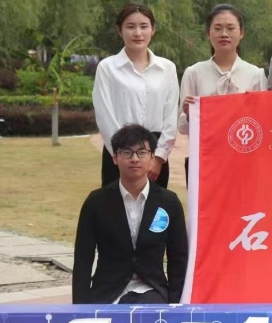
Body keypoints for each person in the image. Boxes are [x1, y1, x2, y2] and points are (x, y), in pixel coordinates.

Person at [72, 125, 188, 304]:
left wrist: (174, 304)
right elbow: (83, 259)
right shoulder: (96, 202)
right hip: (107, 291)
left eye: (141, 152)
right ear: (115, 157)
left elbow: (178, 258)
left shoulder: (168, 202)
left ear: (152, 157)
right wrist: (79, 308)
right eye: (127, 153)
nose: (134, 159)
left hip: (152, 290)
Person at [92, 2, 179, 188]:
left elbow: (171, 117)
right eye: (130, 27)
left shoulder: (167, 68)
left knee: (155, 205)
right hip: (118, 152)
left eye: (144, 26)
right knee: (115, 205)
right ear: (119, 30)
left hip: (155, 155)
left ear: (153, 29)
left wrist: (159, 157)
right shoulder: (107, 68)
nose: (138, 33)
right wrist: (122, 155)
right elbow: (104, 114)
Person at [179, 4, 267, 178]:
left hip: (244, 161)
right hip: (205, 160)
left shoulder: (255, 74)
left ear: (241, 33)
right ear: (208, 33)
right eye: (218, 28)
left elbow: (263, 123)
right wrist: (189, 114)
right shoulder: (194, 73)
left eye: (231, 28)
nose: (224, 34)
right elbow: (182, 127)